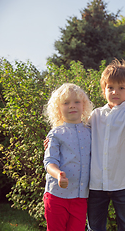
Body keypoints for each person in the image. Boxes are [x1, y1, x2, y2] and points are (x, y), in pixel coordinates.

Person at [87, 59, 125, 231]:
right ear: (104, 91)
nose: (115, 92)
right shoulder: (95, 114)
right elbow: (78, 131)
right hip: (96, 183)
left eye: (121, 88)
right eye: (110, 87)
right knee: (95, 227)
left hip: (123, 183)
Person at [43, 83, 93, 230]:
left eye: (77, 102)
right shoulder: (55, 134)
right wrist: (58, 174)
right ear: (58, 109)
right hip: (57, 196)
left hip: (80, 197)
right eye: (66, 103)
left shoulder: (91, 132)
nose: (72, 106)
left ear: (84, 106)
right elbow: (50, 162)